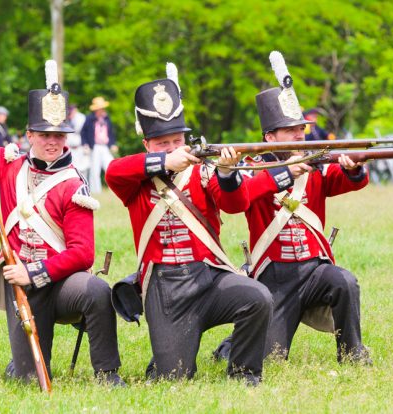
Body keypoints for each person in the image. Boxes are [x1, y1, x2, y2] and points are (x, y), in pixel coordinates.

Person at [0, 63, 124, 386]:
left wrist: (35, 273)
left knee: (97, 291)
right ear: (29, 135)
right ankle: (20, 362)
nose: (52, 142)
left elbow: (83, 254)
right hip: (21, 288)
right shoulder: (8, 166)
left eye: (58, 135)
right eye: (45, 134)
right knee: (29, 380)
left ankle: (108, 373)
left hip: (61, 285)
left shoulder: (73, 184)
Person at [105, 63, 273, 386]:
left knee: (258, 297)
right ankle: (170, 350)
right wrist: (165, 162)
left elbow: (236, 205)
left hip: (208, 277)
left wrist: (227, 172)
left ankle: (244, 372)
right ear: (147, 145)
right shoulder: (137, 181)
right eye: (162, 143)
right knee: (174, 377)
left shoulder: (203, 172)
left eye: (176, 140)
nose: (172, 148)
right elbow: (113, 171)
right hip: (164, 288)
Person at [214, 51, 371, 365]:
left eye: (302, 129)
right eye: (292, 131)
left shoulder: (315, 165)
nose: (301, 134)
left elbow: (348, 181)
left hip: (314, 269)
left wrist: (354, 166)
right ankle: (234, 343)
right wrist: (285, 173)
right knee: (272, 357)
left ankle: (352, 353)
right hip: (275, 276)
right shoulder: (253, 168)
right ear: (270, 137)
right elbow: (238, 199)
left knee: (345, 281)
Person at [81, 96, 118, 194]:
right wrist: (85, 144)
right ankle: (96, 191)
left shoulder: (106, 118)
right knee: (95, 170)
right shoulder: (89, 119)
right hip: (95, 146)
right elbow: (83, 133)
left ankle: (115, 189)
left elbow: (110, 133)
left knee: (110, 167)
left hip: (105, 146)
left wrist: (113, 144)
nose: (101, 110)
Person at [66, 104, 90, 176]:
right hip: (70, 148)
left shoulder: (81, 118)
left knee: (83, 169)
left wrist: (86, 144)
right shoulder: (66, 117)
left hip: (80, 147)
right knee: (71, 170)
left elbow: (82, 131)